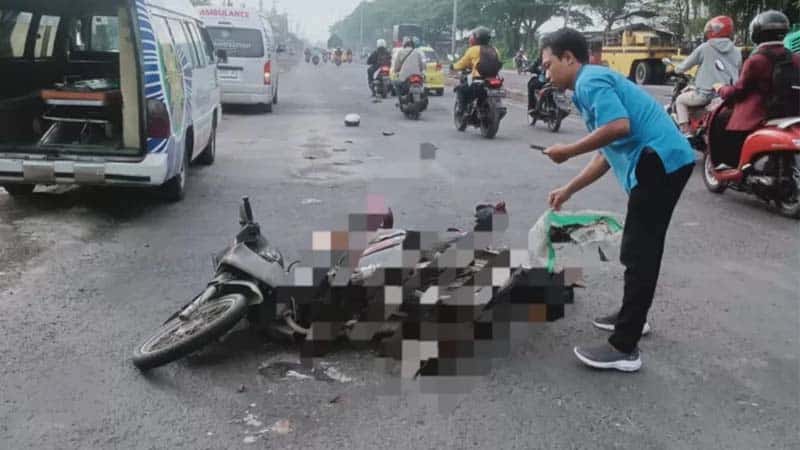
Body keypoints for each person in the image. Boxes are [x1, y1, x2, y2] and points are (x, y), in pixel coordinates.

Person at [540, 28, 695, 372]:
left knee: (640, 251)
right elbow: (607, 152)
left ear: (569, 58)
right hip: (662, 161)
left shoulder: (589, 81)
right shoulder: (588, 87)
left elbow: (618, 127)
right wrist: (569, 189)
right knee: (640, 249)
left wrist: (568, 151)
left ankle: (625, 347)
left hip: (660, 161)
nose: (546, 72)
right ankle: (633, 318)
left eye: (549, 64)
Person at [715, 10, 800, 167]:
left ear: (756, 34)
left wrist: (721, 89)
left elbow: (738, 91)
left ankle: (727, 164)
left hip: (760, 113)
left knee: (721, 118)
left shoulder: (756, 60)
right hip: (791, 111)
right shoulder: (795, 58)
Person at [674, 16, 742, 135]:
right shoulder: (737, 51)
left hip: (705, 95)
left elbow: (686, 65)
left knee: (680, 100)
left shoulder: (705, 47)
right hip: (727, 95)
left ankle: (685, 131)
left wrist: (677, 69)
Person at [451, 26, 502, 113]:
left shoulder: (473, 50)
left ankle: (461, 110)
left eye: (473, 36)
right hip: (494, 79)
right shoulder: (495, 49)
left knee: (460, 89)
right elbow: (498, 62)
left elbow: (462, 63)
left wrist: (453, 66)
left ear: (476, 38)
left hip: (478, 81)